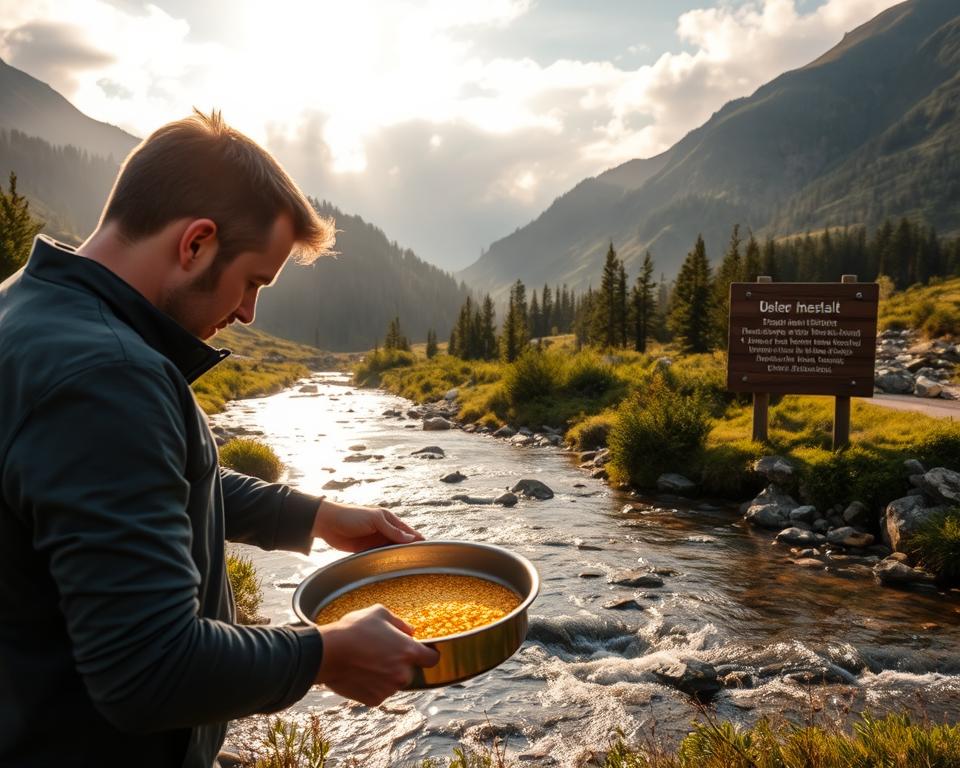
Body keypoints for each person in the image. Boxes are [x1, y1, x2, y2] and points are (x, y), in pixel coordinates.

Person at [0, 110, 439, 768]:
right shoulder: (108, 377)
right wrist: (326, 654)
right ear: (196, 243)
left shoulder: (30, 310)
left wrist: (314, 516)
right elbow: (150, 671)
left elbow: (141, 480)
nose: (247, 313)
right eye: (254, 282)